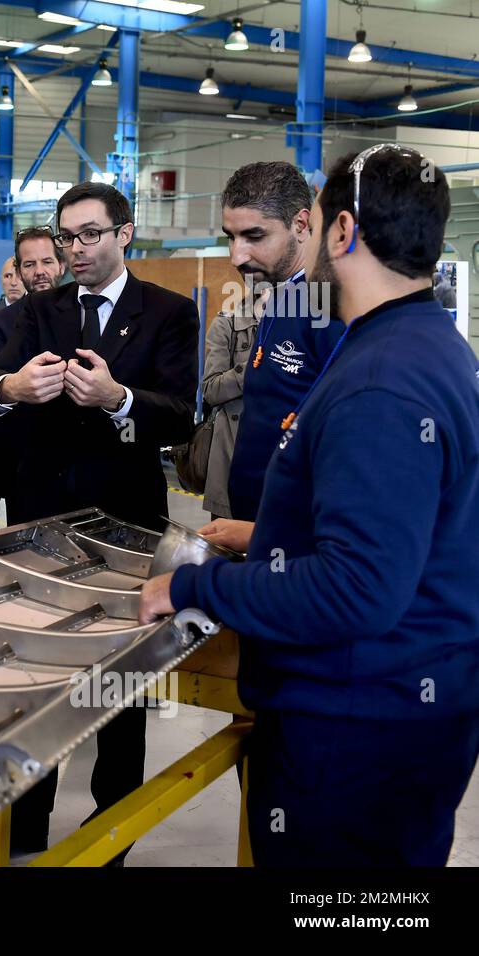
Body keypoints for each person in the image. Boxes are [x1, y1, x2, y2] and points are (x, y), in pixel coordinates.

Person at [141, 144, 479, 866]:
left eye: (318, 218)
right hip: (402, 709)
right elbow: (398, 532)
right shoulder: (422, 343)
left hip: (357, 727)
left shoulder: (381, 382)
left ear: (344, 231)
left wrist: (195, 585)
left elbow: (359, 590)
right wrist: (275, 531)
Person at [0, 182, 198, 858]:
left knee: (120, 694)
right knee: (36, 686)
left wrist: (118, 397)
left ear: (124, 234)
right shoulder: (40, 309)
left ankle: (113, 837)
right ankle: (25, 833)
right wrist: (9, 390)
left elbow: (181, 412)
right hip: (41, 527)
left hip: (126, 530)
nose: (74, 250)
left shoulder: (168, 312)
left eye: (89, 235)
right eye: (66, 237)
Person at [220, 161, 344, 523]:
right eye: (230, 236)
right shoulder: (282, 295)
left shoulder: (330, 305)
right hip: (257, 522)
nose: (236, 257)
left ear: (301, 224)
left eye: (254, 237)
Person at [0, 226, 65, 534]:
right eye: (29, 264)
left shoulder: (84, 312)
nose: (40, 272)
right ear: (19, 270)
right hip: (22, 461)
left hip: (78, 462)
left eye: (47, 262)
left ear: (61, 265)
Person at [199, 304, 257, 519]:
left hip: (281, 461)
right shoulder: (228, 322)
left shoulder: (301, 324)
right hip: (231, 458)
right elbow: (211, 390)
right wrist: (256, 365)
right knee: (227, 544)